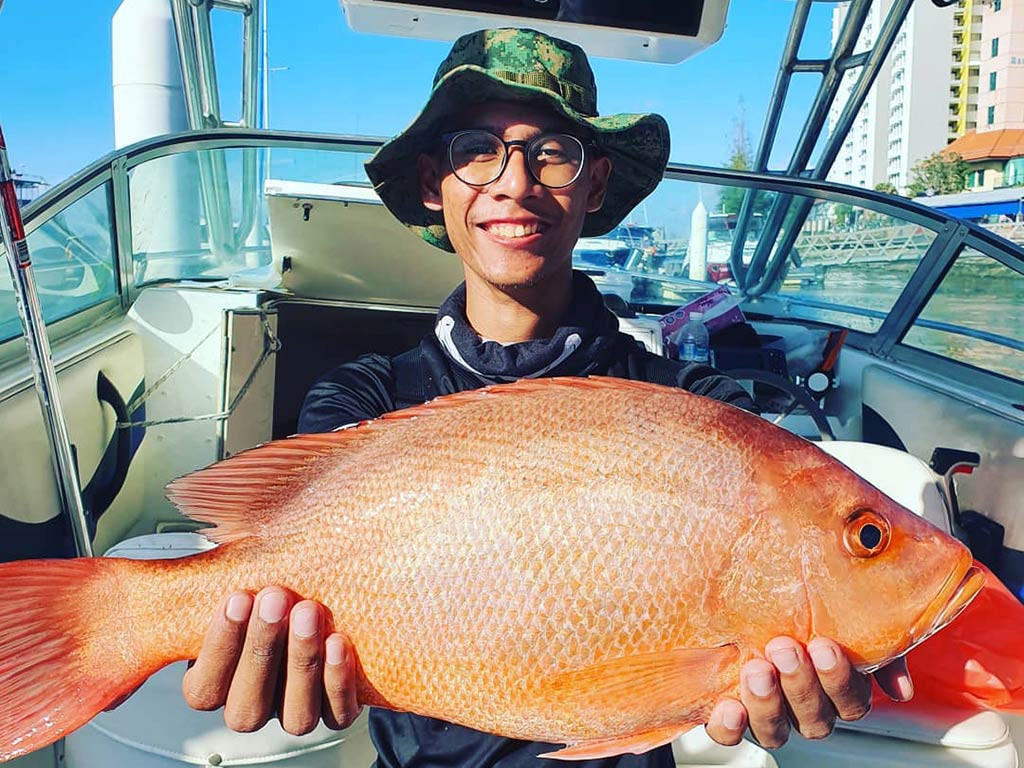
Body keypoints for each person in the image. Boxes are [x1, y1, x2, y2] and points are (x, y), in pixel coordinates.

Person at [179, 27, 912, 767]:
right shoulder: (363, 398)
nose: (515, 183)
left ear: (594, 184)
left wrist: (794, 691)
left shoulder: (700, 407)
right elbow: (278, 581)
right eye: (475, 150)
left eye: (553, 152)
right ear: (436, 184)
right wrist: (259, 658)